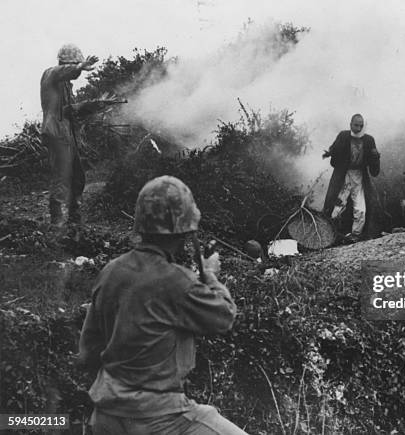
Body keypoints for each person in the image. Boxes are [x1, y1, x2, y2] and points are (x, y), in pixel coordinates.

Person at [77, 175, 247, 434]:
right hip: (159, 417)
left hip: (105, 415)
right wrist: (210, 275)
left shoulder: (111, 271)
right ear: (183, 229)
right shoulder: (176, 280)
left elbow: (89, 349)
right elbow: (224, 317)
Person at [41, 43, 98, 226]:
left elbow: (68, 111)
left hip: (66, 133)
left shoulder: (65, 85)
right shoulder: (51, 74)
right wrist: (79, 67)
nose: (79, 72)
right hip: (56, 132)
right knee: (62, 174)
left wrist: (92, 105)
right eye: (76, 65)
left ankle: (74, 217)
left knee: (78, 174)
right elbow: (64, 71)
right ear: (66, 62)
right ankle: (56, 221)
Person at [322, 114, 381, 242]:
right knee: (337, 205)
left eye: (361, 125)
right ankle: (330, 234)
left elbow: (374, 168)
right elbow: (335, 153)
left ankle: (356, 235)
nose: (358, 128)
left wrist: (375, 157)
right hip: (343, 175)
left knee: (360, 208)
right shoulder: (343, 136)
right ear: (350, 124)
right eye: (356, 125)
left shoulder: (369, 140)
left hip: (359, 176)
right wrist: (330, 153)